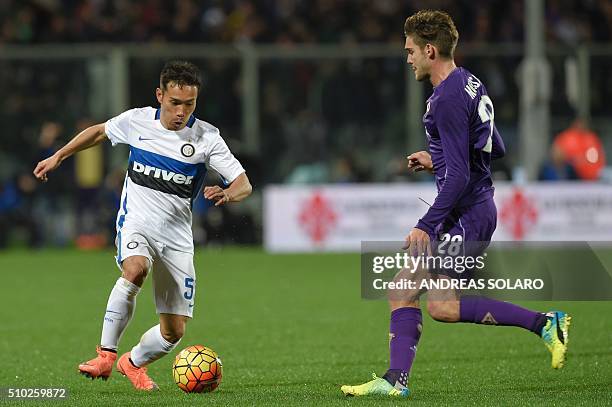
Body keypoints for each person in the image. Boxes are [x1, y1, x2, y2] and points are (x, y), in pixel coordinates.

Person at [340, 11, 570, 398]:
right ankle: (395, 380)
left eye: (411, 51)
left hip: (468, 212)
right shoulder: (469, 82)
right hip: (471, 207)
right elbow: (495, 147)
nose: (408, 58)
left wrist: (425, 224)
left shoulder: (444, 98)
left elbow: (462, 177)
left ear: (430, 50)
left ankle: (546, 323)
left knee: (443, 307)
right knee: (401, 290)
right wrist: (439, 158)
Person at [33, 60, 252, 391]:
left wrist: (228, 194)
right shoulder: (138, 120)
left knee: (174, 331)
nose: (181, 111)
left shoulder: (207, 137)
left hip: (177, 238)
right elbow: (98, 131)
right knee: (135, 269)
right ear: (160, 95)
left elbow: (243, 183)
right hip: (137, 223)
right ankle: (105, 355)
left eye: (189, 104)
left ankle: (132, 362)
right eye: (174, 102)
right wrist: (59, 156)